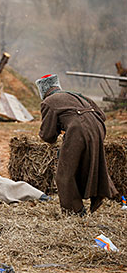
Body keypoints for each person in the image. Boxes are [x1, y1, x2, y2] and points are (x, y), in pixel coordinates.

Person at [35, 74, 118, 215]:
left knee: (64, 174)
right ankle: (98, 196)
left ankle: (74, 211)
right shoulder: (76, 95)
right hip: (98, 128)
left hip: (78, 131)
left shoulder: (49, 102)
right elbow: (102, 115)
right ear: (57, 86)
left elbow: (48, 136)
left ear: (43, 90)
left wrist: (61, 129)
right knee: (90, 166)